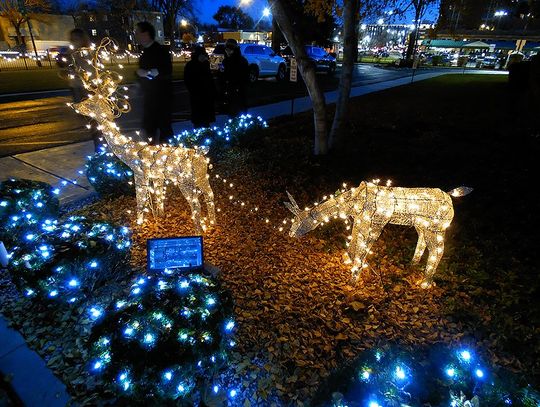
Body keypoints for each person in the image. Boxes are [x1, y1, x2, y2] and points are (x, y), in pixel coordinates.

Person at [58, 28, 102, 152]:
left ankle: (99, 148)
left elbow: (91, 71)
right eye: (71, 39)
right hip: (76, 89)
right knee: (89, 120)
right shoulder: (71, 53)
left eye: (75, 39)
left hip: (89, 90)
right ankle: (98, 146)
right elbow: (65, 67)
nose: (72, 42)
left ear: (82, 40)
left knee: (95, 121)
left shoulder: (86, 53)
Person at [135, 21, 173, 145]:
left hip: (161, 99)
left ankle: (166, 157)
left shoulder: (159, 50)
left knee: (164, 131)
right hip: (150, 99)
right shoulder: (146, 52)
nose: (136, 35)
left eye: (138, 32)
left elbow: (166, 71)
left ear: (146, 34)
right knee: (149, 130)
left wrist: (146, 73)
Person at [184, 46, 216, 129]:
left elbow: (210, 79)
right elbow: (187, 80)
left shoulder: (206, 64)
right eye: (202, 55)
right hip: (197, 95)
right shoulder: (191, 65)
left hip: (206, 95)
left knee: (205, 120)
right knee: (199, 119)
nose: (204, 57)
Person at [221, 39, 249, 117]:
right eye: (226, 50)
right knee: (232, 112)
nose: (228, 52)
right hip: (230, 91)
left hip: (238, 90)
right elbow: (222, 75)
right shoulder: (225, 61)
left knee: (238, 112)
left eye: (230, 50)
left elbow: (245, 76)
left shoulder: (241, 61)